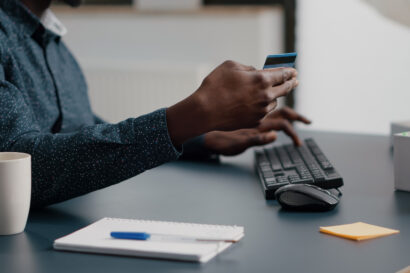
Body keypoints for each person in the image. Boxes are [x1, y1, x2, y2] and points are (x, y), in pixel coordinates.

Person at [0, 0, 311, 208]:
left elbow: (81, 128)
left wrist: (199, 136)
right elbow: (19, 168)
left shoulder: (56, 47)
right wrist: (191, 116)